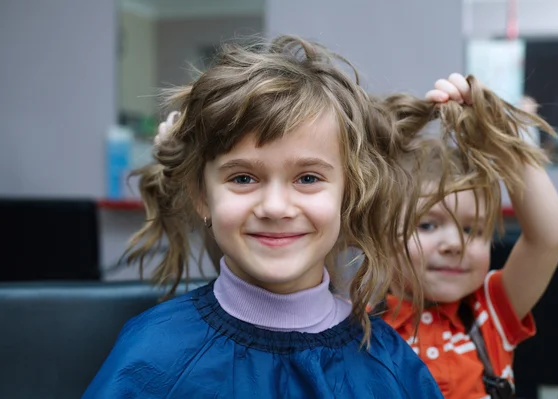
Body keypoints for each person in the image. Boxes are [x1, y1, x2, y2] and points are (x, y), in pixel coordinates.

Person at [83, 35, 464, 398]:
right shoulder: (155, 355)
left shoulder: (390, 364)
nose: (276, 207)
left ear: (348, 195)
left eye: (308, 178)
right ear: (202, 197)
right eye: (243, 177)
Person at [378, 74, 558, 398]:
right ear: (380, 233)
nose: (455, 244)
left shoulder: (491, 310)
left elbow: (548, 237)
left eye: (471, 230)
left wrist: (502, 140)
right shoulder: (355, 325)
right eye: (427, 225)